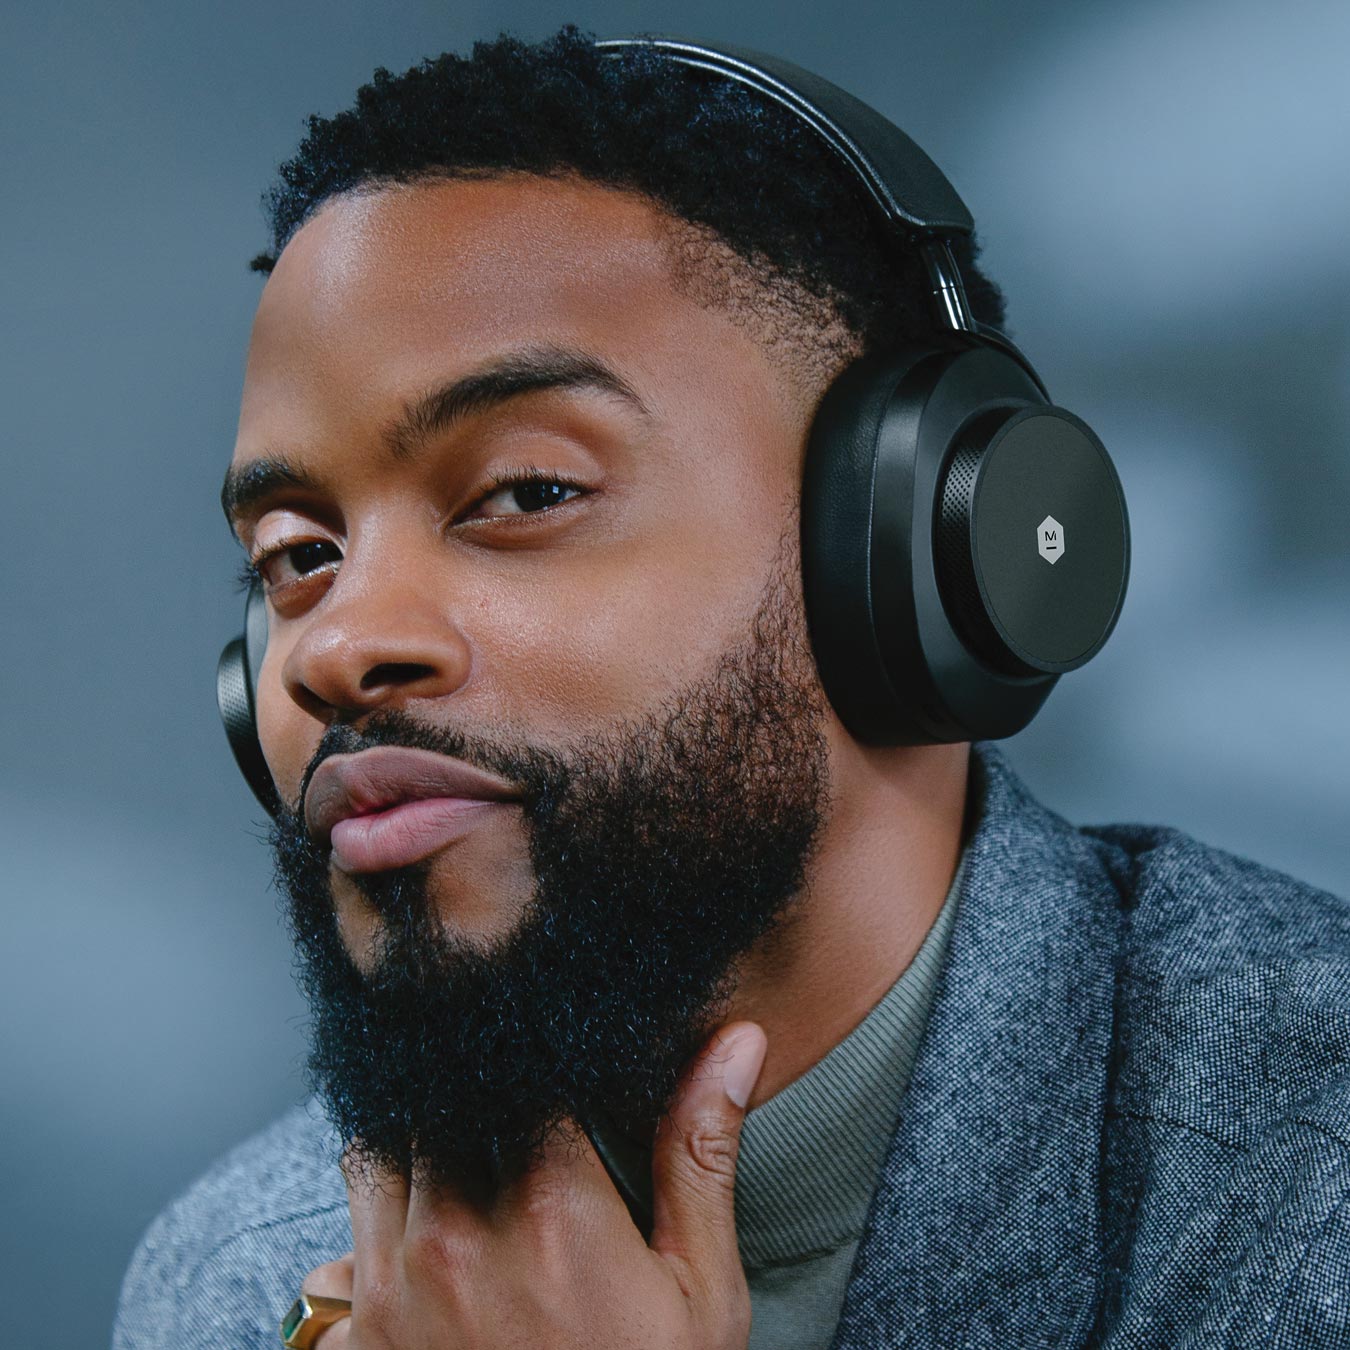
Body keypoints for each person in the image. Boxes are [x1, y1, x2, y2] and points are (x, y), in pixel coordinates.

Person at [114, 27, 1350, 1350]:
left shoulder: (1304, 1185)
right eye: (298, 555)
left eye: (528, 492)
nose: (335, 644)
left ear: (911, 556)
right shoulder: (237, 1270)